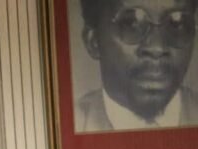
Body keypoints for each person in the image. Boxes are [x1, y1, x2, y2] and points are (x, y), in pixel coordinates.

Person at [76, 0, 198, 131]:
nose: (157, 48)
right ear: (93, 41)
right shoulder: (70, 124)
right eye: (131, 24)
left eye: (177, 24)